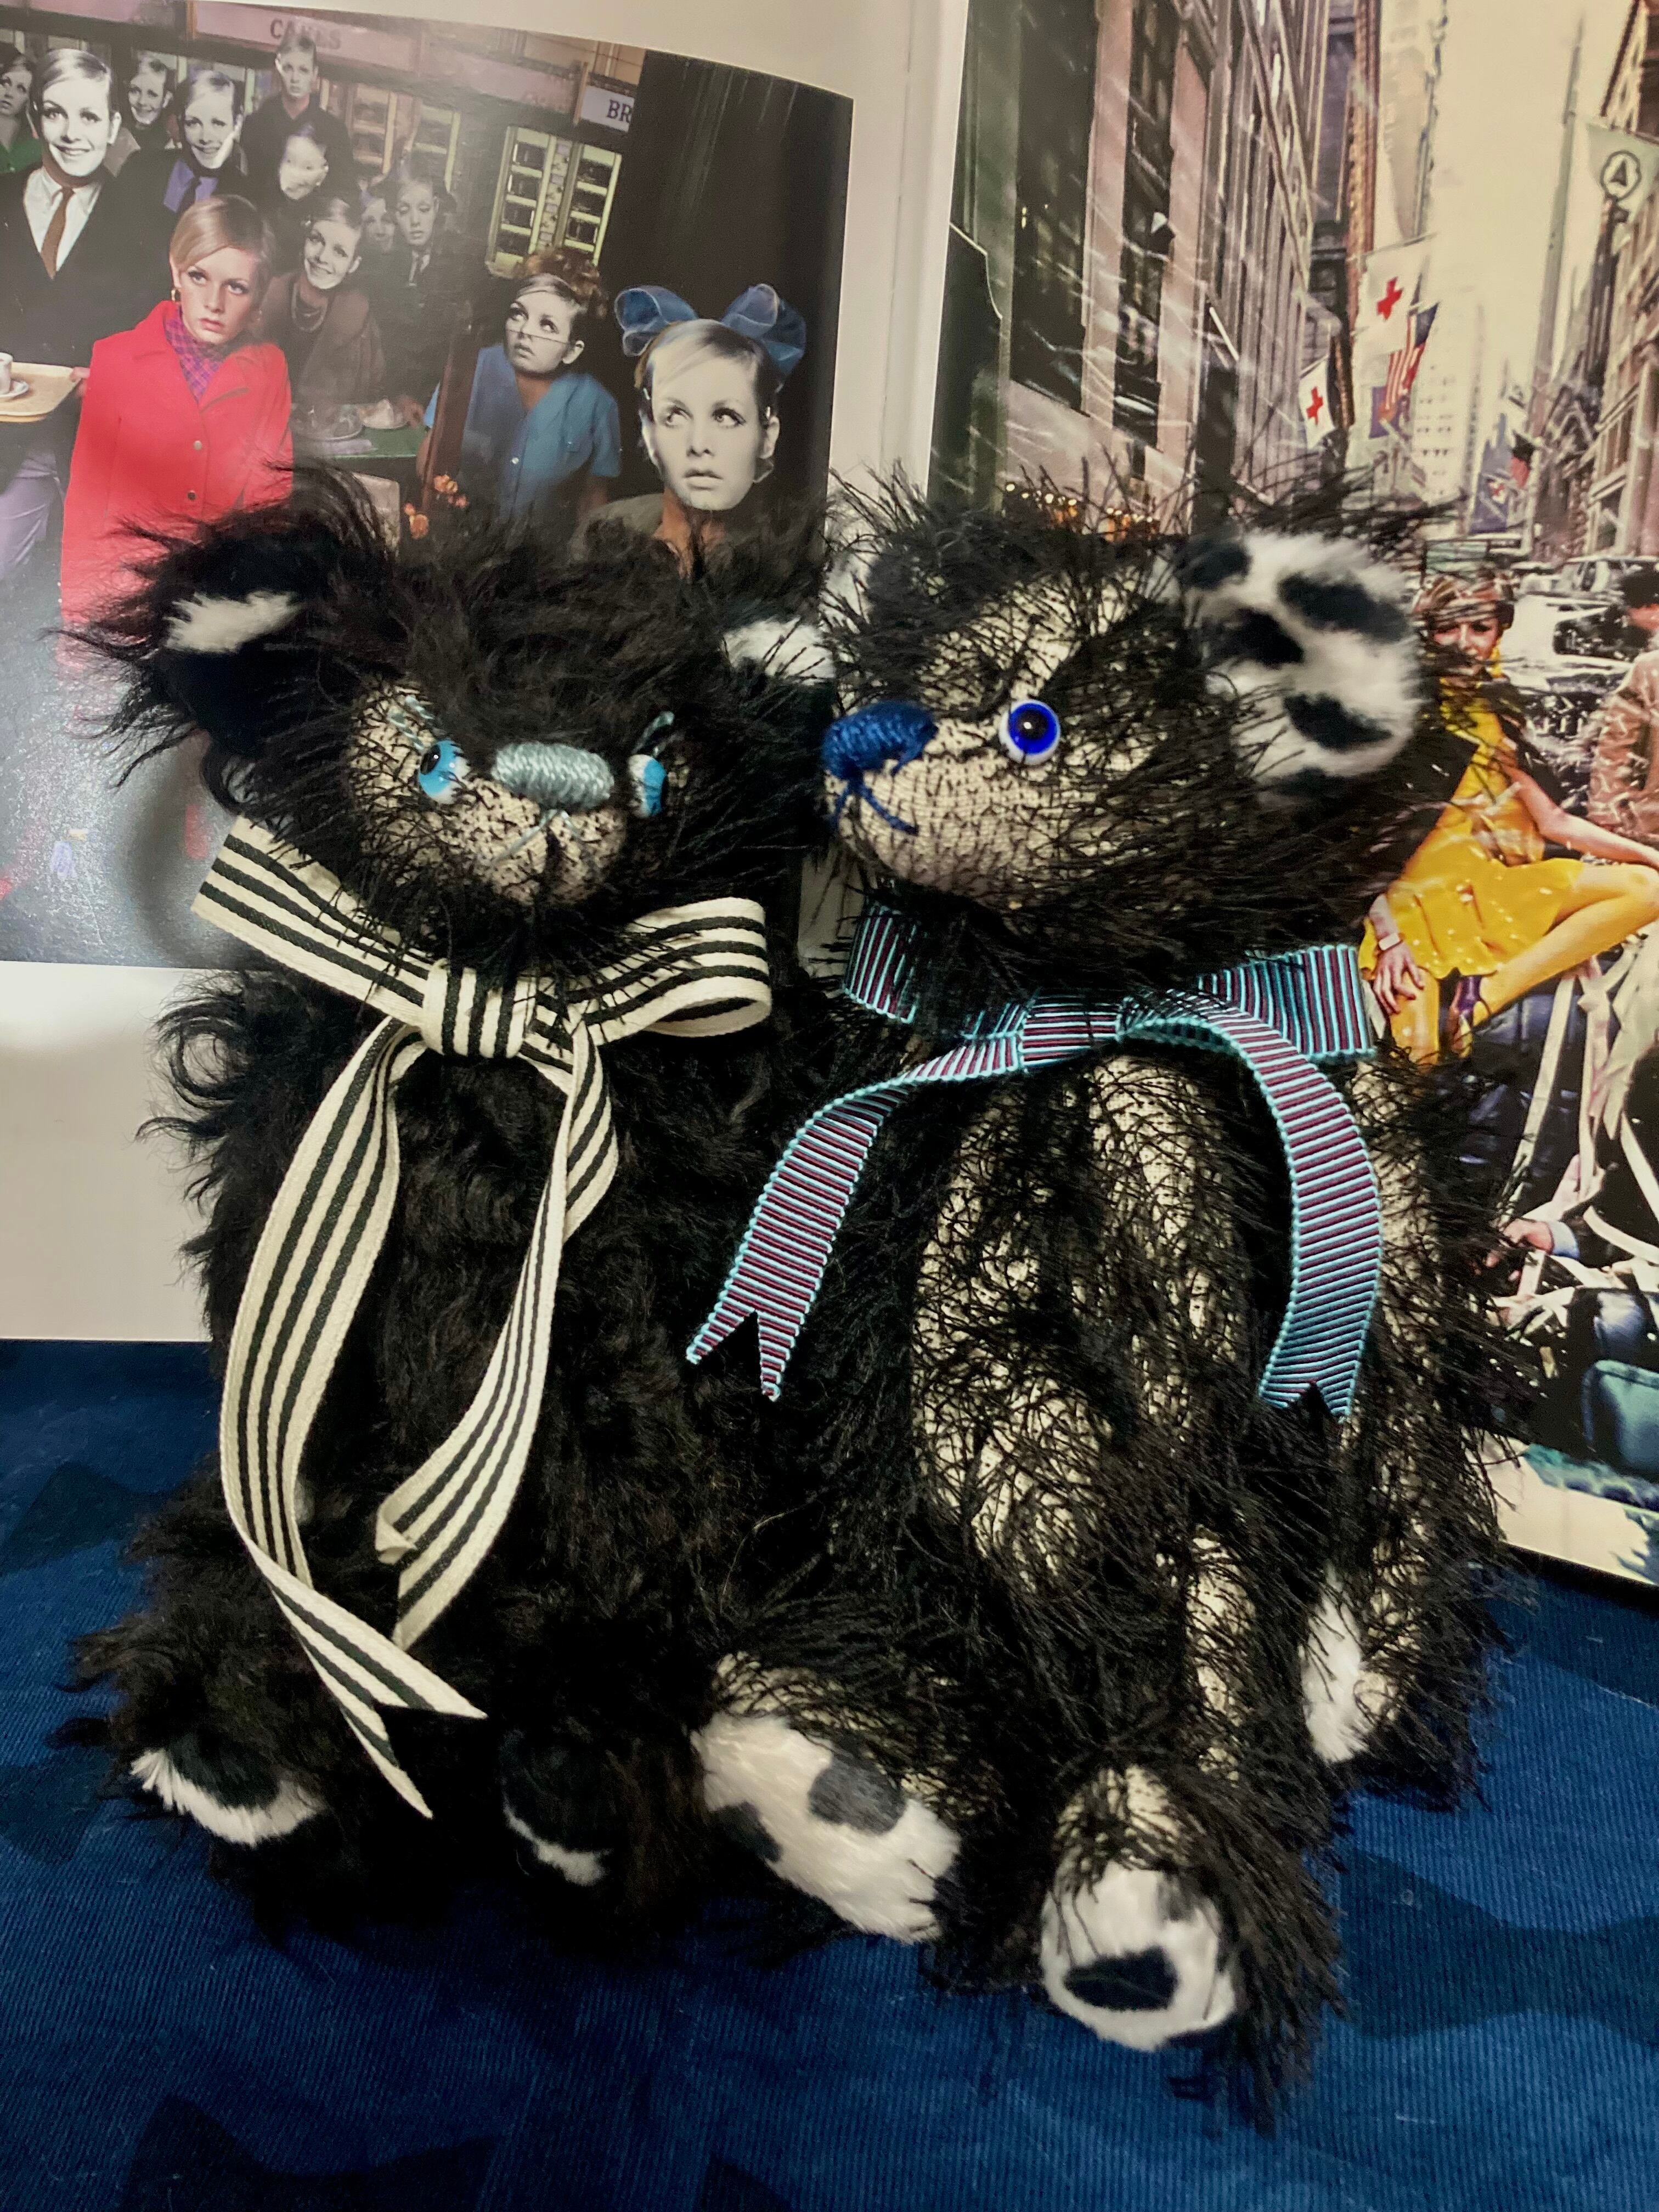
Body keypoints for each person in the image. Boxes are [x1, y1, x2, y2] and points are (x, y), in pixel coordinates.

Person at [1364, 571, 1659, 1061]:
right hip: (1404, 905)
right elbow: (1348, 842)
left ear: (1498, 633)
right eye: (1448, 628)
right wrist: (1390, 937)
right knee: (1418, 1056)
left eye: (1480, 628)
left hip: (1481, 890)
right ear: (1429, 634)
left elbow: (1553, 821)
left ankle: (1484, 998)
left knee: (1648, 889)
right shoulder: (1394, 710)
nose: (1465, 643)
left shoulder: (1497, 710)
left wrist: (1650, 857)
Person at [60, 195, 290, 629]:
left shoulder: (270, 369)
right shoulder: (115, 358)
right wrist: (78, 625)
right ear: (175, 271)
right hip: (125, 595)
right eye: (199, 277)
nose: (214, 302)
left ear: (259, 294)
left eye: (236, 287)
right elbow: (87, 508)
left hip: (217, 601)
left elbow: (269, 504)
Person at [0, 49, 150, 585]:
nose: (71, 133)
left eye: (89, 116)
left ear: (112, 126)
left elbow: (156, 343)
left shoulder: (148, 221)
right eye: (55, 113)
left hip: (102, 448)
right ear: (35, 118)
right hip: (8, 446)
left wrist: (112, 380)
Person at [605, 283, 805, 566]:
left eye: (726, 417)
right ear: (648, 430)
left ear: (767, 437)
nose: (699, 445)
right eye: (675, 415)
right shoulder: (603, 537)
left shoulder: (778, 566)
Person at [425, 251, 619, 543]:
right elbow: (429, 454)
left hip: (542, 554)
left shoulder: (598, 405)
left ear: (572, 349)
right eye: (518, 314)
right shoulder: (472, 367)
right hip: (463, 539)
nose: (526, 332)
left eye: (547, 325)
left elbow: (593, 500)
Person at [255, 193, 385, 423]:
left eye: (340, 252)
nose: (322, 257)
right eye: (317, 240)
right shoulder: (265, 298)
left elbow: (375, 394)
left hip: (329, 438)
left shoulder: (360, 317)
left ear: (353, 264)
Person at [122, 65, 247, 278]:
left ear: (237, 122)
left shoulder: (247, 197)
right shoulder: (140, 169)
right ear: (179, 121)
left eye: (218, 123)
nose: (206, 138)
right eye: (193, 123)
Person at [378, 155, 471, 416]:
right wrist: (400, 394)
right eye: (404, 211)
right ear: (394, 214)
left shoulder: (463, 266)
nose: (415, 222)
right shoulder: (387, 267)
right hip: (396, 399)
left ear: (437, 207)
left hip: (443, 401)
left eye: (424, 209)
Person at [238, 27, 353, 207]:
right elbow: (243, 190)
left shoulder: (334, 131)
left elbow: (346, 193)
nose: (295, 78)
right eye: (289, 68)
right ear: (278, 65)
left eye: (303, 70)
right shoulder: (256, 125)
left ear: (314, 74)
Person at [1586, 565, 1659, 845]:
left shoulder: (1649, 666)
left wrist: (1605, 808)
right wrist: (1605, 808)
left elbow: (1616, 742)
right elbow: (1616, 741)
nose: (1629, 618)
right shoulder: (1649, 667)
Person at [258, 116, 333, 274]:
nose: (295, 174)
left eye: (308, 168)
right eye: (289, 162)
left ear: (323, 174)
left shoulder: (325, 219)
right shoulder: (259, 206)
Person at [121, 52, 174, 154]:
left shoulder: (170, 147)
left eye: (152, 94)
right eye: (135, 91)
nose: (142, 102)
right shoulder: (116, 139)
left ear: (166, 99)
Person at [0, 48, 38, 176]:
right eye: (5, 83)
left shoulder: (35, 147)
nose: (9, 93)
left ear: (29, 99)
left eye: (21, 89)